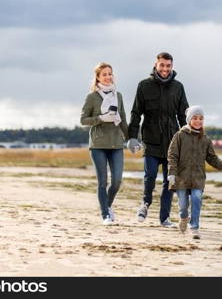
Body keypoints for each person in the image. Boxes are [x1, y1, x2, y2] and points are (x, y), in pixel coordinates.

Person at [127, 52, 189, 227]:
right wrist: (132, 137)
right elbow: (136, 113)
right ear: (156, 65)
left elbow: (184, 115)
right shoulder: (144, 86)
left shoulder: (178, 87)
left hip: (172, 141)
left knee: (170, 181)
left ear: (172, 67)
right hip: (151, 139)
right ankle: (145, 203)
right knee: (150, 175)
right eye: (162, 65)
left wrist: (187, 137)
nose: (165, 69)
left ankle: (164, 218)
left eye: (168, 66)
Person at [167, 105, 222, 239]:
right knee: (183, 205)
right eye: (195, 118)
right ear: (189, 120)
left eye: (201, 118)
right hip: (181, 177)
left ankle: (194, 227)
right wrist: (172, 173)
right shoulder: (179, 136)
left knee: (196, 199)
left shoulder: (205, 139)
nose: (198, 121)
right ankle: (184, 218)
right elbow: (172, 155)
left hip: (198, 178)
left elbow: (212, 158)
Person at [80, 63, 128, 225]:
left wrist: (132, 138)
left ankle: (107, 206)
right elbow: (83, 120)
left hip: (116, 144)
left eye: (110, 74)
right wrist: (100, 119)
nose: (108, 77)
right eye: (104, 74)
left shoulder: (118, 96)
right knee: (103, 181)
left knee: (117, 181)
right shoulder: (92, 97)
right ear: (98, 77)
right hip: (98, 145)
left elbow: (123, 120)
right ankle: (105, 215)